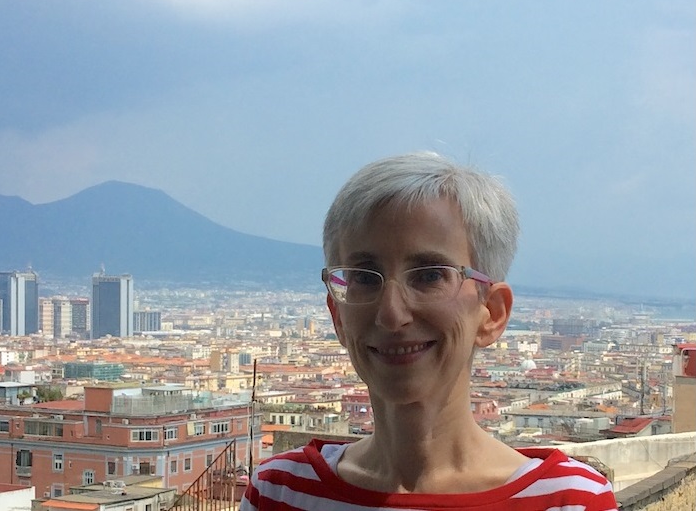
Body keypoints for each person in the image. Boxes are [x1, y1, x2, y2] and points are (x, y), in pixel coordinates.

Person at [241, 152, 618, 510]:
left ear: (491, 313)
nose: (392, 314)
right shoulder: (279, 493)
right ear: (337, 314)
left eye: (430, 276)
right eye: (363, 278)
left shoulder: (569, 502)